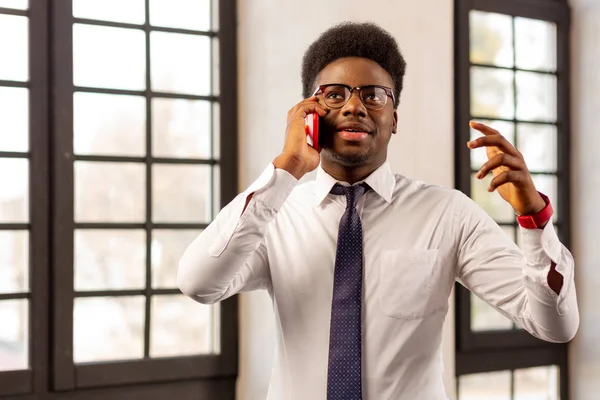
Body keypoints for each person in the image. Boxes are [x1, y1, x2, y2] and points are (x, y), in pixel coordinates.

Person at [177, 22, 579, 400]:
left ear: (394, 118)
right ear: (309, 113)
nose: (354, 106)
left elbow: (556, 326)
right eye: (334, 94)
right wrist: (289, 167)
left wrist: (533, 219)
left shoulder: (448, 213)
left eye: (373, 95)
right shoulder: (273, 213)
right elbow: (199, 282)